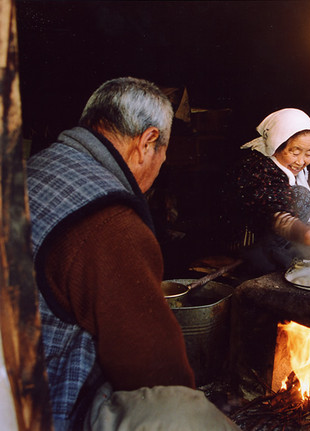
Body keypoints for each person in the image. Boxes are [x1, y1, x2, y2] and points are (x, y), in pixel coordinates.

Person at [26, 77, 239, 431]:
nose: (158, 173)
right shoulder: (108, 221)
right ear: (147, 141)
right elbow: (155, 369)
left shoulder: (38, 167)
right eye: (162, 159)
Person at [229, 108, 310, 277]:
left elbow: (304, 202)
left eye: (309, 153)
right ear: (276, 144)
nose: (301, 161)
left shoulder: (291, 169)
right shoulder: (257, 168)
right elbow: (278, 218)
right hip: (254, 248)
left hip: (282, 242)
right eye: (295, 152)